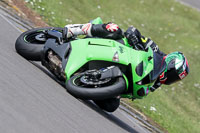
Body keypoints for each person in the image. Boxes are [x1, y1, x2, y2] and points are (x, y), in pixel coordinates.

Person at [63, 20, 189, 92]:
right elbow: (132, 30)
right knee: (114, 29)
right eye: (173, 75)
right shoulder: (155, 50)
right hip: (116, 47)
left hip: (121, 67)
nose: (172, 79)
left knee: (112, 106)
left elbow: (141, 92)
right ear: (171, 63)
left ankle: (88, 79)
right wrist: (134, 39)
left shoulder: (156, 82)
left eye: (175, 79)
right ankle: (74, 29)